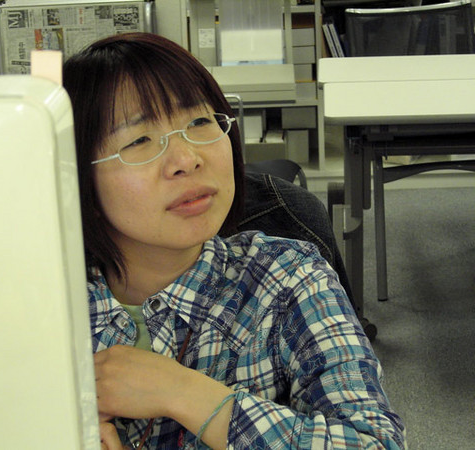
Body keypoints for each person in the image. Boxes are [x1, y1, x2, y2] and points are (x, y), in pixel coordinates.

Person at [62, 32, 405, 449]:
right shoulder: (44, 307)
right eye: (139, 141)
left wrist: (184, 393)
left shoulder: (288, 280)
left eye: (200, 122)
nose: (188, 159)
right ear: (78, 175)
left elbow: (375, 442)